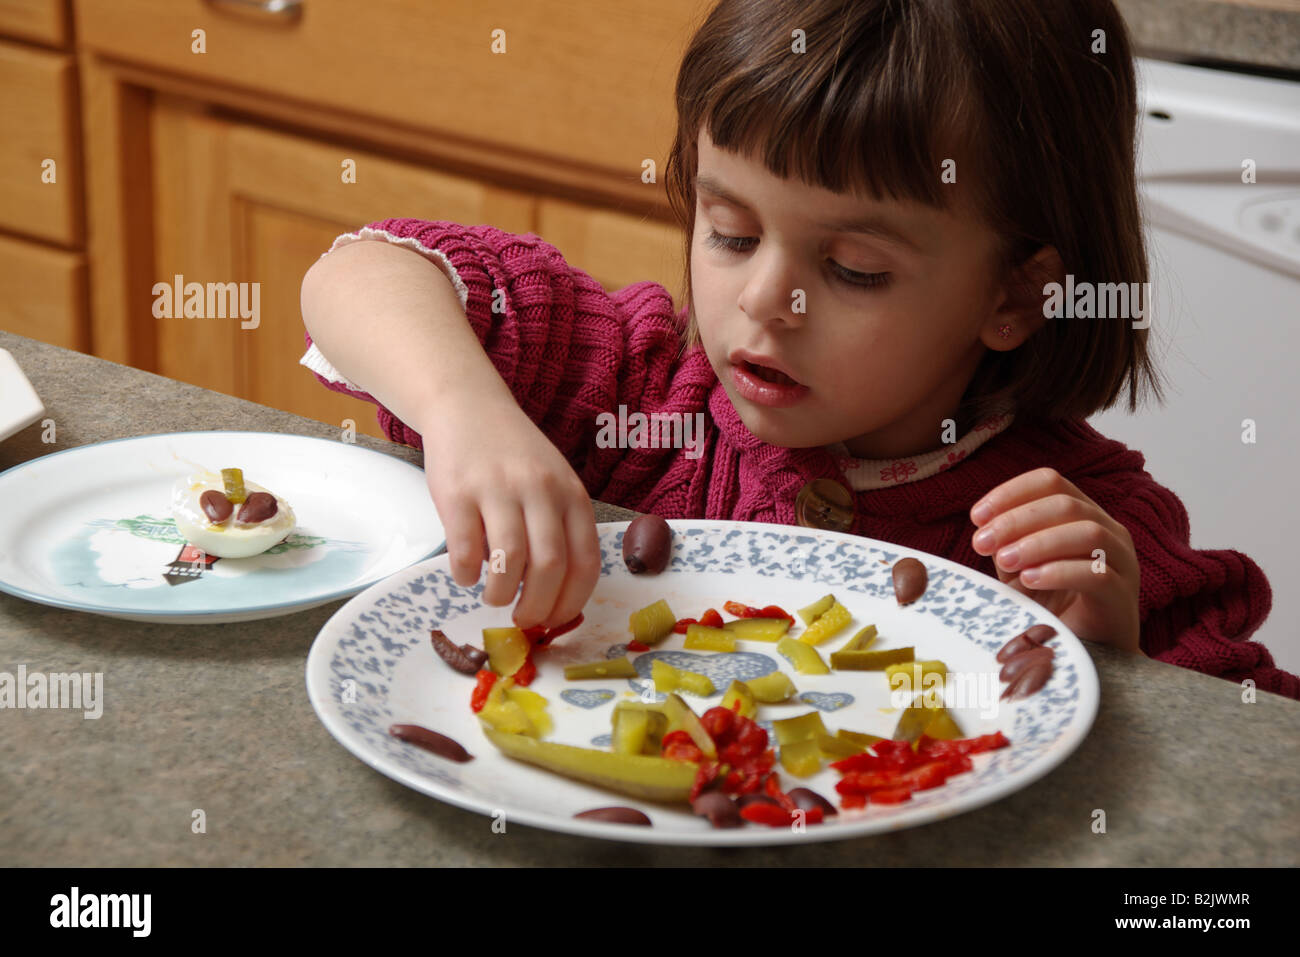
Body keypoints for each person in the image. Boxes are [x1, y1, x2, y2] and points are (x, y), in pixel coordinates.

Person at [298, 0, 1299, 699]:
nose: (764, 302)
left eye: (854, 269)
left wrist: (1107, 663)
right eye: (730, 232)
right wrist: (468, 412)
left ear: (1013, 295)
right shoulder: (636, 392)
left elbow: (1246, 775)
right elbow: (364, 273)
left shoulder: (1078, 535)